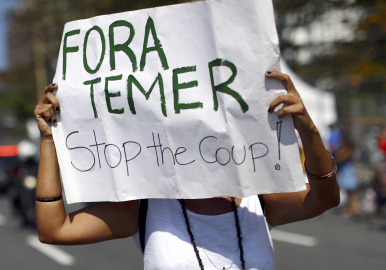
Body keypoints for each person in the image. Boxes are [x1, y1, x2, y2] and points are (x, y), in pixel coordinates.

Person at [33, 70, 340, 270]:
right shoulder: (146, 206)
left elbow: (324, 198)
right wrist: (49, 139)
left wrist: (307, 127)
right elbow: (54, 230)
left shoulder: (257, 198)